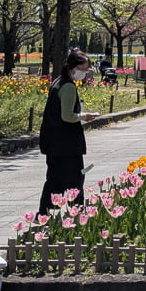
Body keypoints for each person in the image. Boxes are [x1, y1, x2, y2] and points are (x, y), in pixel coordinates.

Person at [37, 50, 100, 213]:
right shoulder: (69, 87)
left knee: (54, 179)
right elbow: (67, 116)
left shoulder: (57, 82)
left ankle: (44, 212)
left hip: (53, 140)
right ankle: (76, 212)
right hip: (67, 143)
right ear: (72, 67)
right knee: (75, 179)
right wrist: (85, 116)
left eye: (86, 70)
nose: (85, 73)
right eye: (83, 69)